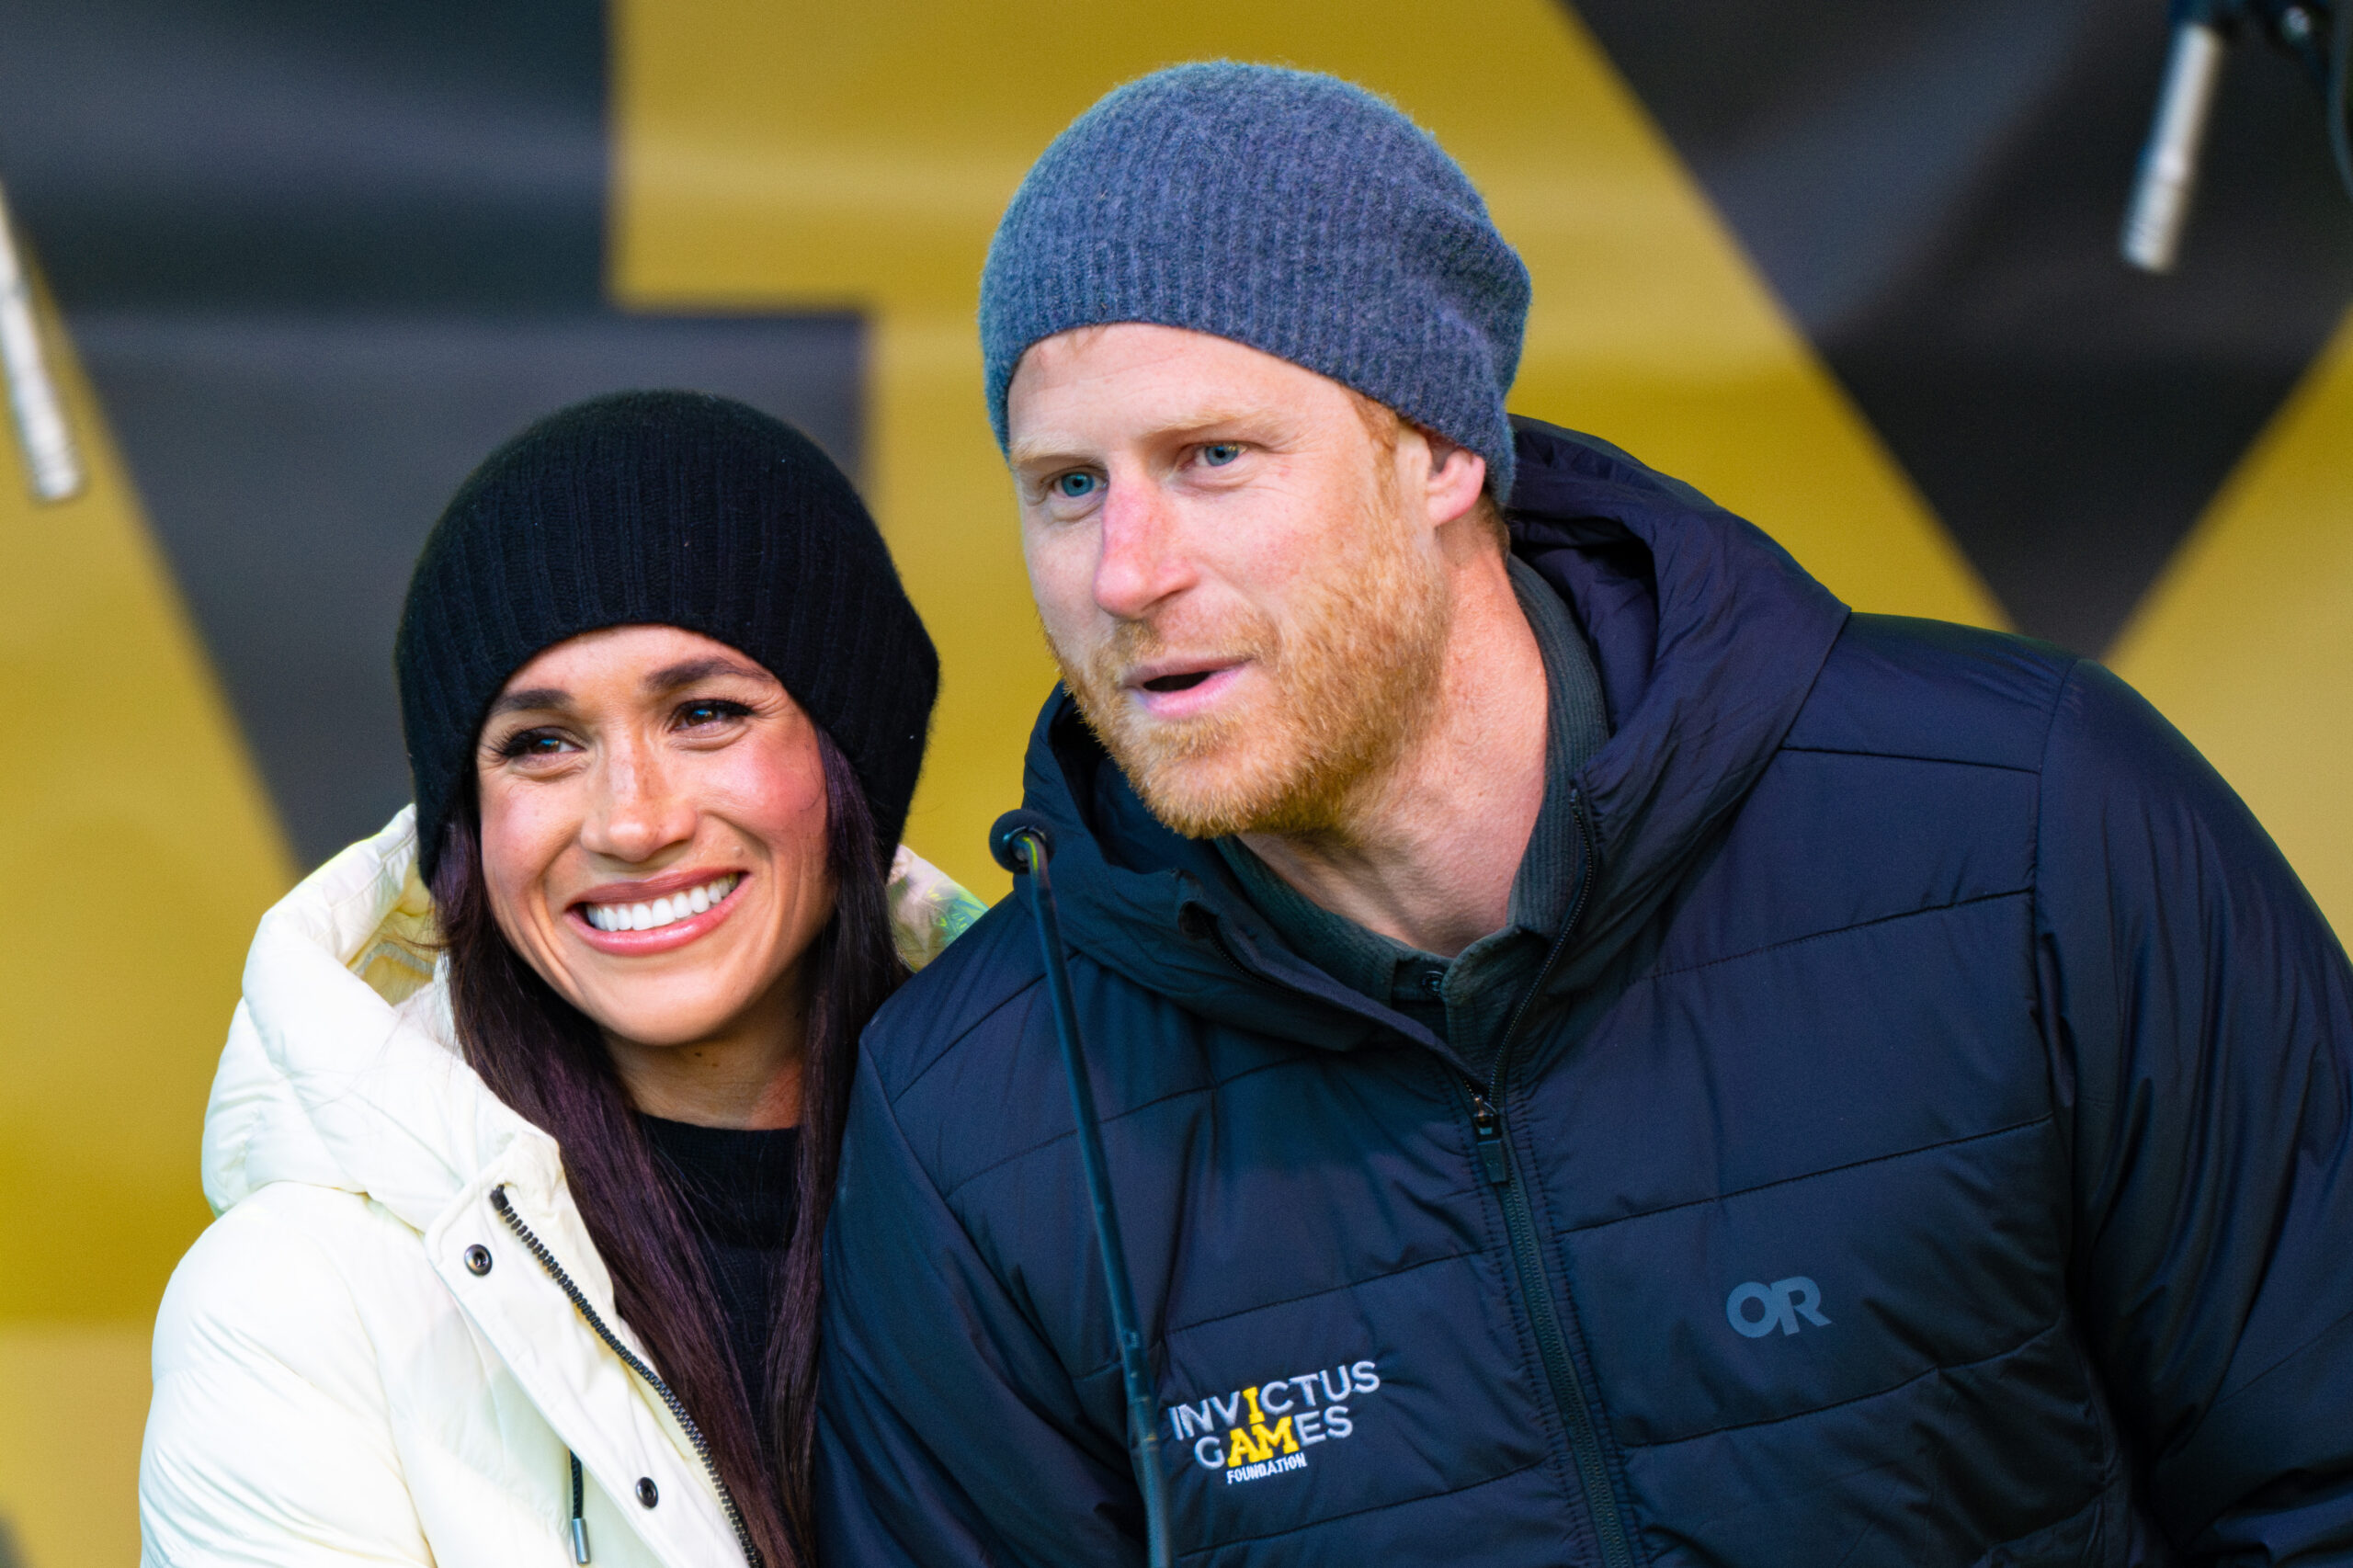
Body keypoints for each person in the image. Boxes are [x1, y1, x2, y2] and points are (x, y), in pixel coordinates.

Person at [813, 63, 2353, 1566]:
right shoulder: (977, 1116)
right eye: (1066, 486)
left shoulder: (2029, 821)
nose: (1126, 572)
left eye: (1213, 458)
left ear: (1441, 449)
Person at [140, 391, 977, 1568]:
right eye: (541, 741)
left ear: (850, 768)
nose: (633, 818)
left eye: (705, 713)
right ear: (466, 827)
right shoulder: (301, 1301)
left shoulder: (1082, 1166)